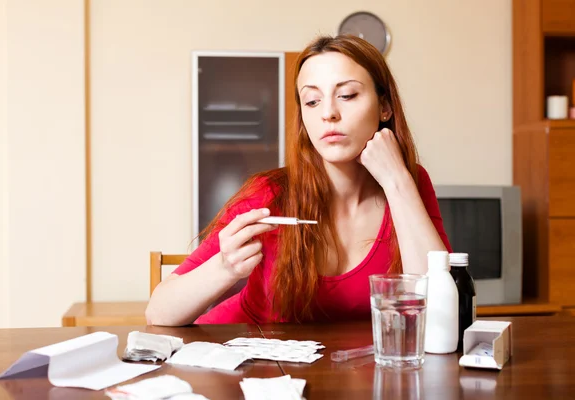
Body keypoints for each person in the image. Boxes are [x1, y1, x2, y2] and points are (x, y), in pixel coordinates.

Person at [146, 34, 452, 326]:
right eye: (312, 101)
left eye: (347, 95)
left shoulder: (409, 182)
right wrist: (225, 268)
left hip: (354, 374)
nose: (329, 113)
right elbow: (158, 313)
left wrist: (396, 181)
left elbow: (439, 309)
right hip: (255, 366)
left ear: (384, 106)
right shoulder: (270, 194)